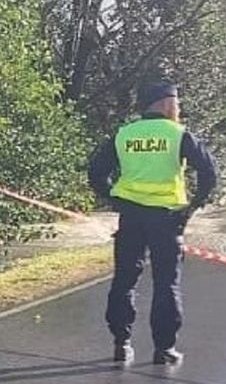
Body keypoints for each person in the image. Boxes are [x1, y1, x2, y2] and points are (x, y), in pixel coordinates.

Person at [88, 81, 218, 366]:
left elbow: (96, 172)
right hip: (167, 218)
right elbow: (210, 172)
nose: (179, 108)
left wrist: (116, 199)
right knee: (166, 283)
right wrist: (192, 208)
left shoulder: (124, 134)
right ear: (165, 103)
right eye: (177, 103)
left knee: (124, 279)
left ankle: (121, 343)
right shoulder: (178, 134)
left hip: (131, 217)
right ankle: (164, 349)